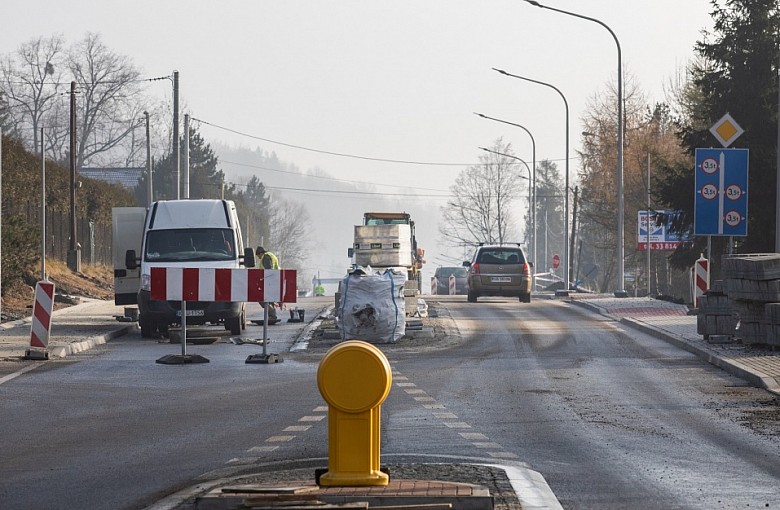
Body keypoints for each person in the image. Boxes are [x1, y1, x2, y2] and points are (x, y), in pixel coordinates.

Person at [256, 246, 281, 322]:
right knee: (270, 300)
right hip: (274, 279)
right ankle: (272, 316)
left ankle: (272, 315)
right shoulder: (271, 255)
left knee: (262, 299)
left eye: (258, 256)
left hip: (269, 281)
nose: (259, 258)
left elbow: (268, 270)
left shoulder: (265, 257)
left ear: (260, 253)